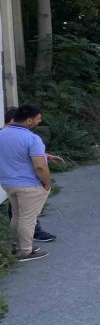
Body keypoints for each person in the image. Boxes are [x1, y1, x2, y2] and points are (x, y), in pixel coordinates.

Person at [0, 105, 52, 261]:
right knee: (28, 218)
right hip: (29, 185)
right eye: (38, 119)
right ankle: (25, 251)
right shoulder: (32, 138)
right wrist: (47, 184)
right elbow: (40, 166)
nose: (39, 122)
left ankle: (17, 246)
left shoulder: (2, 134)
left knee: (17, 215)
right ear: (29, 120)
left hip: (8, 183)